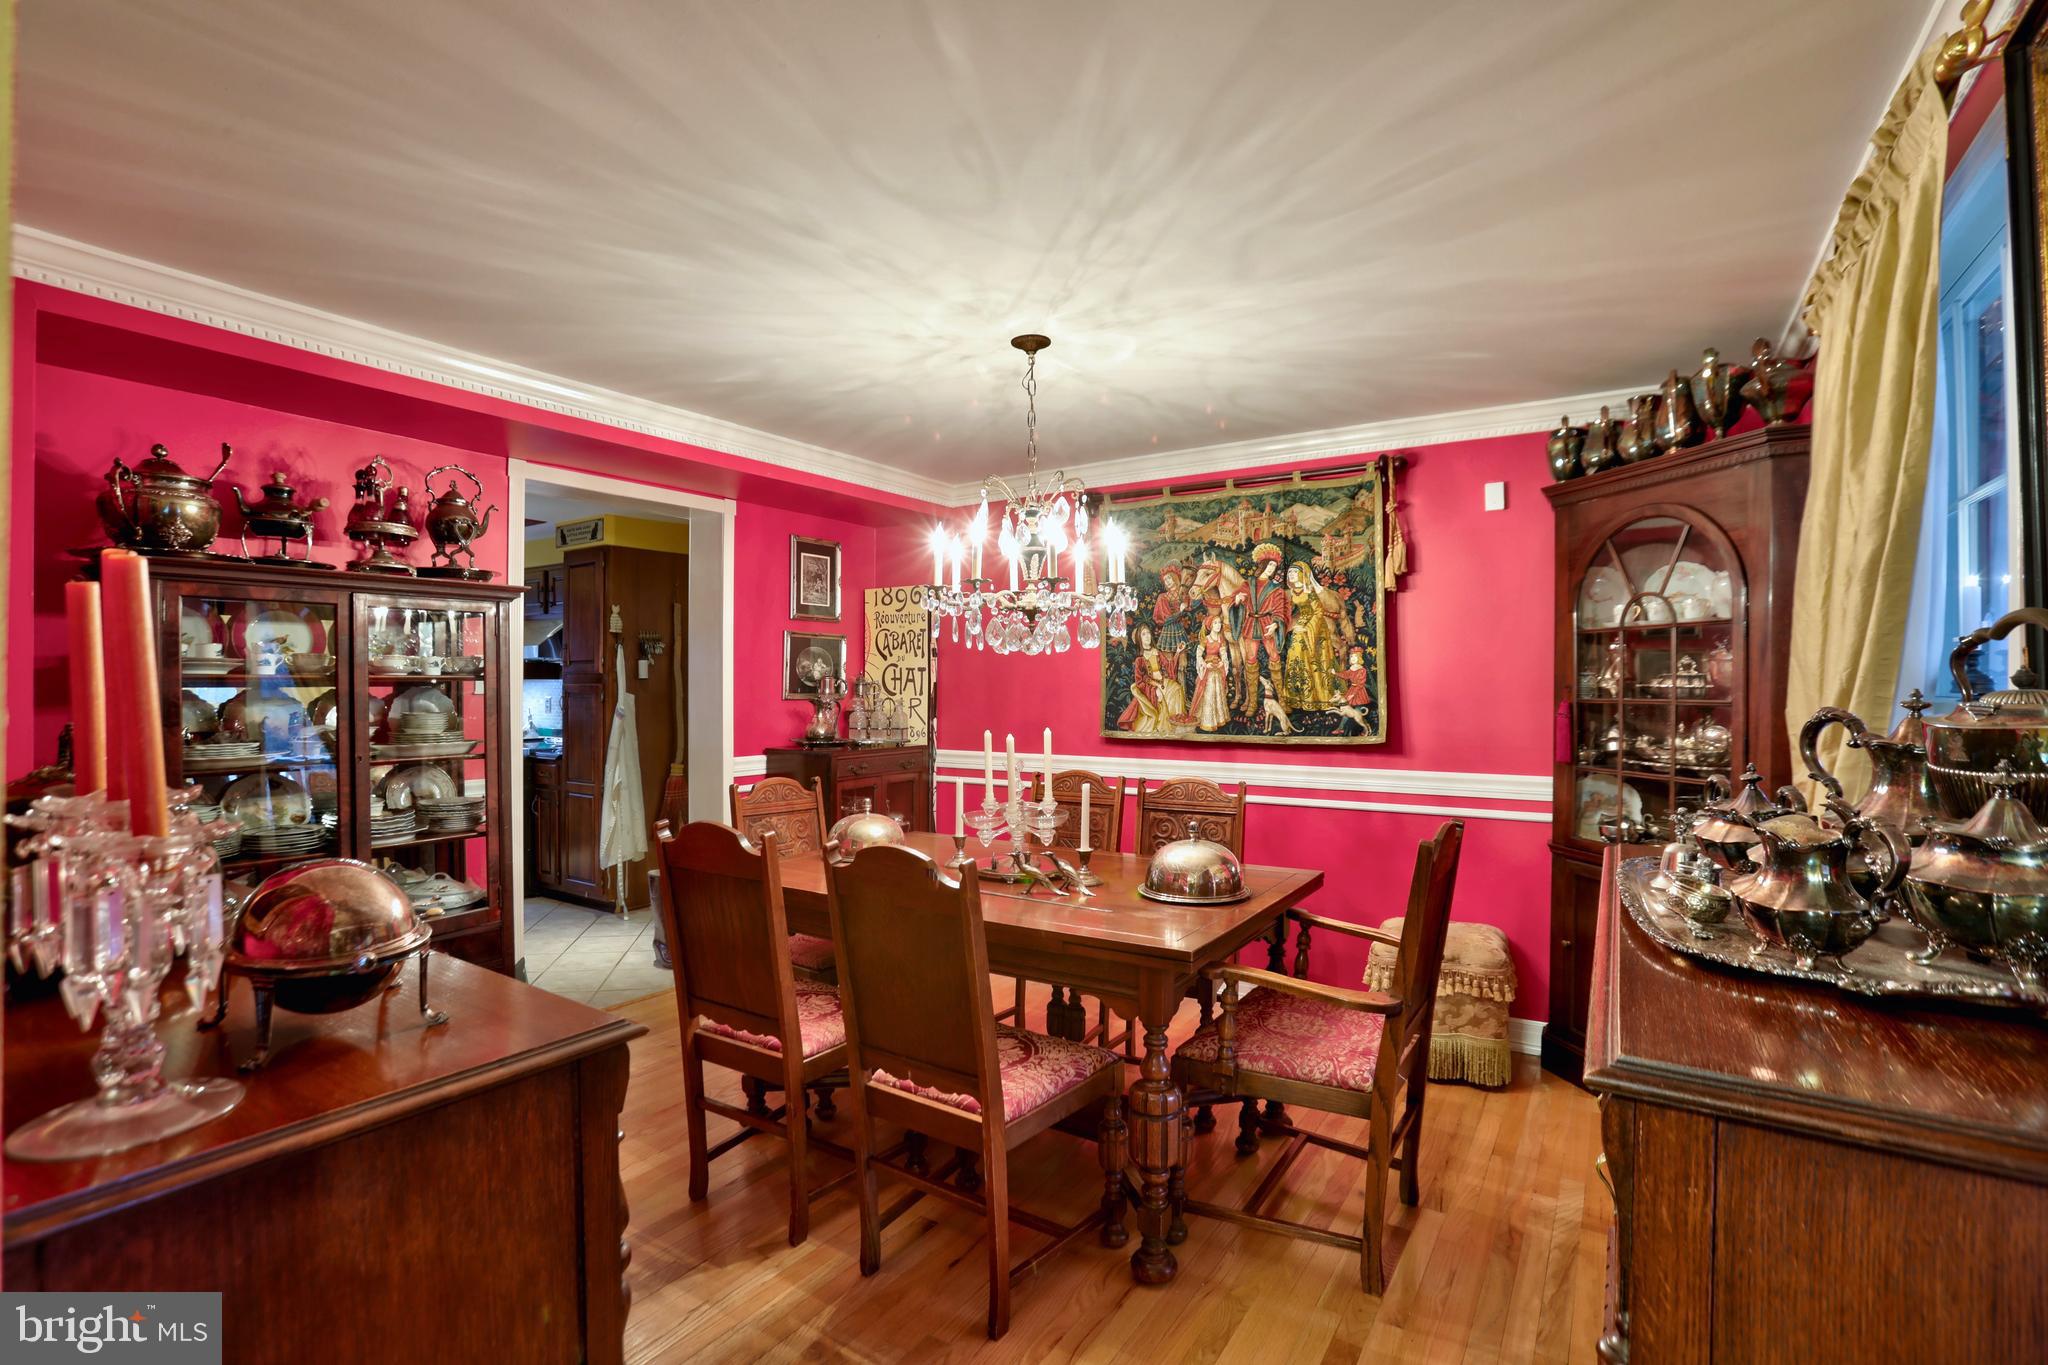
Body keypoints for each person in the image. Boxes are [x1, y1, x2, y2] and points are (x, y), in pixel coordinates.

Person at [1238, 543, 1291, 717]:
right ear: (1262, 565)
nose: (1271, 570)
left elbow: (1281, 607)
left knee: (1275, 658)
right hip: (1251, 625)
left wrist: (1276, 624)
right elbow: (1237, 597)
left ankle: (1282, 699)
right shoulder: (1249, 583)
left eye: (1274, 567)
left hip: (1268, 624)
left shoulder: (1275, 588)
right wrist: (1237, 598)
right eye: (1269, 565)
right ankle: (1253, 702)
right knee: (1251, 661)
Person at [1282, 561, 1342, 710]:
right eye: (1290, 573)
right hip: (1300, 626)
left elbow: (1319, 612)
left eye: (1294, 572)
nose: (1292, 575)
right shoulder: (1292, 591)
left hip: (1315, 629)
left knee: (1315, 661)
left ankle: (1320, 698)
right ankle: (1298, 697)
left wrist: (1307, 627)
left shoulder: (1309, 591)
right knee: (1295, 655)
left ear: (1302, 574)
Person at [1115, 623, 1188, 736]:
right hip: (1151, 687)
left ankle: (1177, 723)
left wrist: (1178, 652)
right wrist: (1154, 689)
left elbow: (1169, 667)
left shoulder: (1157, 652)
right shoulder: (1140, 659)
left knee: (1177, 689)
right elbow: (1139, 681)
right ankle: (1166, 726)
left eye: (1148, 633)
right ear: (1139, 638)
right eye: (1144, 634)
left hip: (1164, 681)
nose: (1147, 636)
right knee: (1163, 696)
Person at [1179, 615, 1234, 733]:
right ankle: (1207, 721)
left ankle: (1218, 719)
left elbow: (1224, 655)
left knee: (1217, 692)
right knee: (1208, 693)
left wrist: (1222, 663)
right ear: (1210, 626)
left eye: (1219, 623)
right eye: (1215, 623)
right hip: (1208, 669)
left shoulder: (1221, 640)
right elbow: (1198, 654)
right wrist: (1204, 664)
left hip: (1217, 669)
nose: (1218, 625)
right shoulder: (1206, 639)